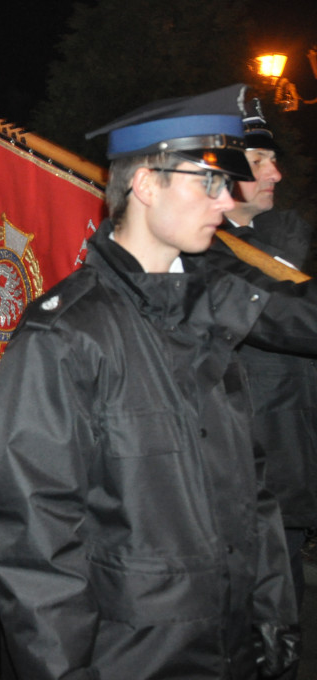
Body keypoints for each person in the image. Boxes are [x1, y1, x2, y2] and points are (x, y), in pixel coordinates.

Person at [0, 84, 313, 680]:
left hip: (234, 646)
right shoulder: (64, 337)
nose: (226, 200)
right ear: (145, 184)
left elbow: (252, 495)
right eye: (208, 182)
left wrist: (271, 616)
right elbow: (35, 545)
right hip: (133, 658)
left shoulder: (213, 316)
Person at [220, 101, 317, 680]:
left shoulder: (279, 231)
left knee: (284, 626)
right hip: (243, 470)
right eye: (259, 161)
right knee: (251, 629)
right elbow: (282, 318)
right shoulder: (193, 254)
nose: (276, 173)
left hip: (294, 461)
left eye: (274, 160)